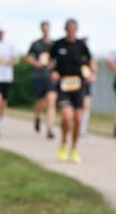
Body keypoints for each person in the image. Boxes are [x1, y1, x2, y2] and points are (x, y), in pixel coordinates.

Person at [49, 19, 94, 163]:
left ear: (77, 30)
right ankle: (63, 143)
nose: (71, 32)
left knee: (78, 120)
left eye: (74, 29)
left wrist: (92, 73)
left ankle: (74, 149)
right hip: (63, 86)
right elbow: (50, 61)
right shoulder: (58, 44)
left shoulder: (81, 45)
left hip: (78, 86)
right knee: (67, 117)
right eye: (69, 29)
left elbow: (90, 60)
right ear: (65, 29)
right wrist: (52, 72)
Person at [24, 21, 56, 140]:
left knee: (51, 101)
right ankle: (37, 116)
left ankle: (49, 129)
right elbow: (27, 57)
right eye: (44, 29)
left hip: (50, 76)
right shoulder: (36, 44)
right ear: (41, 30)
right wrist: (36, 63)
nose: (46, 30)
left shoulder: (54, 44)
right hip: (38, 76)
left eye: (48, 28)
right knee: (41, 102)